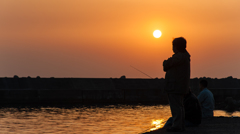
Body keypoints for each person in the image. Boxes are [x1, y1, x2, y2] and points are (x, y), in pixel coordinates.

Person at [163, 37, 191, 132]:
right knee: (180, 106)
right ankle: (180, 125)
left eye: (173, 46)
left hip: (175, 87)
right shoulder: (185, 56)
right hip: (180, 86)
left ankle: (177, 126)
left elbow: (166, 65)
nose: (172, 48)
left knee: (176, 107)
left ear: (177, 46)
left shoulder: (179, 57)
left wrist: (165, 62)